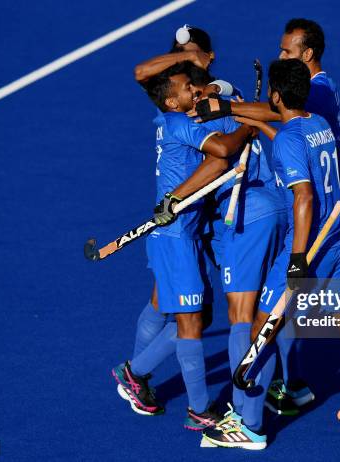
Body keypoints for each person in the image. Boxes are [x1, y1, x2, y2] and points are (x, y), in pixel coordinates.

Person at [204, 59, 340, 448]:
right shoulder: (317, 124)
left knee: (261, 327)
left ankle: (250, 427)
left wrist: (297, 258)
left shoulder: (290, 139)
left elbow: (303, 196)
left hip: (309, 248)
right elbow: (296, 146)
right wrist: (263, 127)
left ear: (274, 95)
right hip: (338, 242)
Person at [112, 63, 257, 431]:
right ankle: (199, 409)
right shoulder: (177, 124)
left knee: (200, 317)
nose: (195, 89)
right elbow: (223, 151)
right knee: (191, 321)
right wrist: (248, 124)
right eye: (186, 87)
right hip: (175, 237)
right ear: (170, 101)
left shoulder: (176, 121)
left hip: (185, 233)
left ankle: (135, 371)